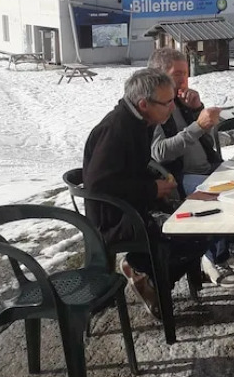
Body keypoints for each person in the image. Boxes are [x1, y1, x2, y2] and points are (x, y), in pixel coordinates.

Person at [82, 68, 205, 315]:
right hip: (116, 219)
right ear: (143, 104)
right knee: (193, 232)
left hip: (136, 205)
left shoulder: (141, 121)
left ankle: (150, 274)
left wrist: (158, 183)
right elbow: (99, 186)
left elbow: (131, 168)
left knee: (202, 219)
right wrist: (151, 189)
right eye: (167, 102)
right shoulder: (116, 129)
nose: (173, 107)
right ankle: (143, 270)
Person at [148, 47, 234, 286]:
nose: (183, 80)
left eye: (186, 73)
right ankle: (213, 259)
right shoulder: (158, 106)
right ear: (159, 76)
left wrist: (196, 109)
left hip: (207, 167)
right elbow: (160, 152)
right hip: (179, 176)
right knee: (223, 196)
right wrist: (198, 125)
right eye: (177, 74)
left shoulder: (182, 101)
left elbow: (205, 141)